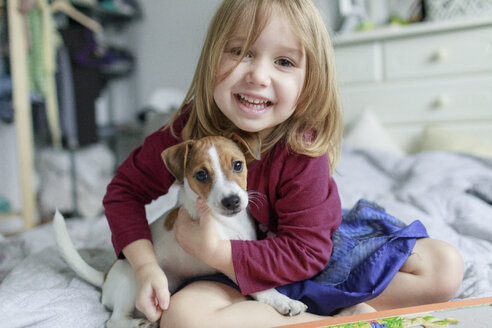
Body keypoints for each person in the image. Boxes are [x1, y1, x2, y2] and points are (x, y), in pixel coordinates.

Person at [103, 0, 464, 327]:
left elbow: (308, 251)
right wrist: (147, 266)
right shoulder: (187, 131)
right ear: (212, 57)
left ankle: (316, 314)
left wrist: (215, 249)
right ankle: (327, 318)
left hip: (313, 262)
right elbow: (124, 193)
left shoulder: (302, 147)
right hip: (230, 276)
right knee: (185, 320)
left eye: (284, 62)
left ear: (309, 82)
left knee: (443, 266)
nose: (258, 76)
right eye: (240, 52)